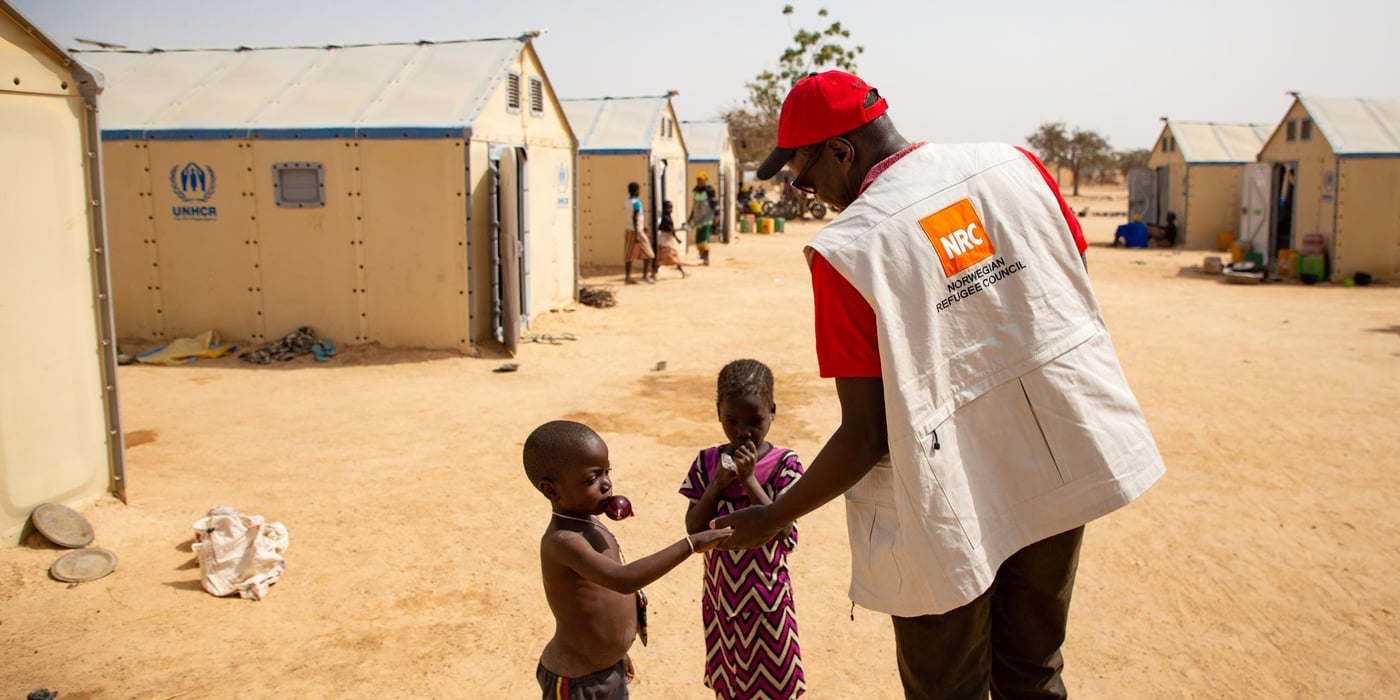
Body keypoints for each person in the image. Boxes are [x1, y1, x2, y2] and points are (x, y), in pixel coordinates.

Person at [714, 70, 1166, 699]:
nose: (806, 192)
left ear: (840, 151)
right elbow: (1066, 285)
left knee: (946, 687)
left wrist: (773, 515)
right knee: (1034, 670)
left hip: (948, 500)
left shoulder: (850, 250)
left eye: (804, 175)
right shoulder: (1016, 167)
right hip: (1055, 461)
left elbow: (866, 433)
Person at [526, 420, 731, 699]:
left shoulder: (587, 520)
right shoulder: (564, 541)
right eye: (592, 479)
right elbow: (623, 581)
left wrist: (617, 653)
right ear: (551, 489)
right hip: (577, 684)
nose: (606, 484)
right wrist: (691, 544)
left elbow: (601, 602)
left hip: (608, 669)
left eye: (606, 472)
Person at [679, 359, 806, 699]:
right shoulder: (707, 463)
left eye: (754, 421)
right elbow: (694, 529)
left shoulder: (785, 464)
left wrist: (749, 480)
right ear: (718, 413)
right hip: (721, 602)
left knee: (777, 683)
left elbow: (784, 532)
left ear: (772, 412)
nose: (742, 432)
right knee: (729, 684)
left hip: (768, 600)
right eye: (731, 421)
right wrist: (716, 486)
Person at [624, 182, 655, 284]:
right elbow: (635, 217)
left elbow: (633, 217)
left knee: (629, 255)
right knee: (649, 254)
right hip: (636, 231)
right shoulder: (636, 203)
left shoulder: (627, 202)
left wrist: (642, 226)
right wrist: (638, 233)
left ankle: (627, 277)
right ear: (636, 191)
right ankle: (645, 276)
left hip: (629, 230)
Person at [687, 172, 719, 265]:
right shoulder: (695, 192)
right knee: (698, 240)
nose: (699, 181)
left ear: (705, 180)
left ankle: (706, 259)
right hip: (698, 219)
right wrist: (690, 219)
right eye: (698, 180)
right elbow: (694, 206)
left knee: (705, 239)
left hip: (707, 218)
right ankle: (702, 256)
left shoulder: (709, 191)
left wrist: (716, 217)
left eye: (701, 180)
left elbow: (714, 205)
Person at [655, 201, 689, 279]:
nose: (670, 209)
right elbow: (670, 230)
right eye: (669, 208)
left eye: (671, 207)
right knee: (666, 258)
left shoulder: (668, 217)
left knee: (670, 258)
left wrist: (677, 239)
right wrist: (681, 229)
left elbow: (671, 231)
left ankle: (683, 272)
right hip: (665, 241)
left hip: (667, 240)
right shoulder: (666, 218)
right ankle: (654, 273)